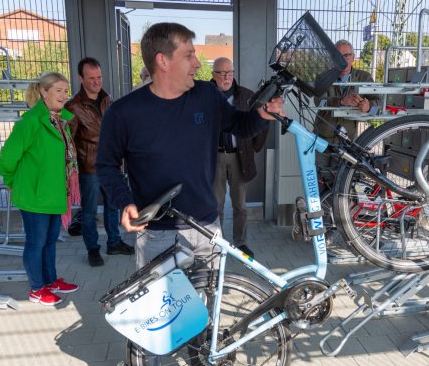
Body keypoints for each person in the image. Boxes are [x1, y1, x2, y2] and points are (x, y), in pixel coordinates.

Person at [96, 22, 282, 269]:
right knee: (164, 309)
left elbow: (240, 125)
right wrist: (125, 201)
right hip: (156, 234)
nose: (197, 63)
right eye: (189, 55)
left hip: (207, 228)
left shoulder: (206, 95)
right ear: (163, 61)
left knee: (204, 305)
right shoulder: (122, 113)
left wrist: (261, 116)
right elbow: (106, 166)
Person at [0, 72, 79, 305]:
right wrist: (11, 182)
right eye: (59, 90)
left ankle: (50, 280)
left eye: (66, 90)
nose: (65, 95)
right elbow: (7, 158)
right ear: (44, 92)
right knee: (36, 242)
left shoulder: (59, 120)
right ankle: (36, 288)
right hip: (34, 194)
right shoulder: (31, 121)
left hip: (53, 192)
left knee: (50, 240)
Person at [65, 57, 134, 267]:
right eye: (91, 78)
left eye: (99, 77)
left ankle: (114, 243)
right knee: (89, 212)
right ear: (80, 78)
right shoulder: (72, 106)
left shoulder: (107, 99)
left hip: (112, 165)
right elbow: (69, 142)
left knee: (113, 207)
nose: (97, 82)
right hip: (89, 168)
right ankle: (93, 250)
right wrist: (72, 170)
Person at [210, 57, 268, 258]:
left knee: (240, 206)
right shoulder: (205, 96)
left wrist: (253, 146)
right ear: (213, 75)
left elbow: (262, 121)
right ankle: (218, 245)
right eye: (222, 73)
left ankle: (241, 243)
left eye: (230, 72)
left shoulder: (246, 95)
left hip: (239, 157)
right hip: (215, 157)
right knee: (215, 206)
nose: (227, 77)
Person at [314, 39, 379, 142]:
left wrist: (369, 106)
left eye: (347, 55)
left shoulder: (364, 77)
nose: (343, 60)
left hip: (348, 140)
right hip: (322, 138)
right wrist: (341, 101)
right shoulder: (324, 77)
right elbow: (318, 102)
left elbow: (380, 101)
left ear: (353, 57)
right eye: (339, 56)